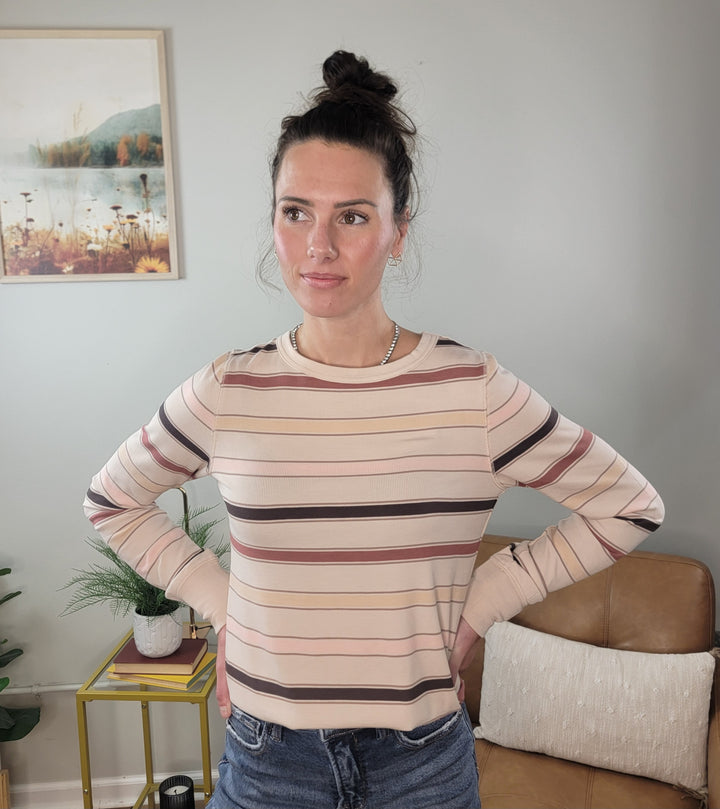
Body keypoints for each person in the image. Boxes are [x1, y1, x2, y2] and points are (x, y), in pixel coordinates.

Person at [84, 50, 664, 809]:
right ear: (275, 222)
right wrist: (226, 606)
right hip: (268, 759)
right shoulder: (231, 388)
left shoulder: (473, 389)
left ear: (398, 230)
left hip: (421, 764)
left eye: (351, 216)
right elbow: (112, 500)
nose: (318, 247)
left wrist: (484, 599)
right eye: (297, 212)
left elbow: (630, 504)